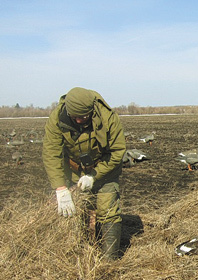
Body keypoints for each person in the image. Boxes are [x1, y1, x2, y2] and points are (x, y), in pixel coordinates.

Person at [42, 87, 126, 260]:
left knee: (108, 210)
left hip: (105, 168)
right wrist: (60, 188)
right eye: (76, 118)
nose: (81, 121)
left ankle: (109, 261)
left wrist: (94, 175)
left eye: (85, 117)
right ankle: (78, 256)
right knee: (73, 212)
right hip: (73, 171)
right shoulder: (57, 119)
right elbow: (52, 154)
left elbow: (117, 152)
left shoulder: (108, 117)